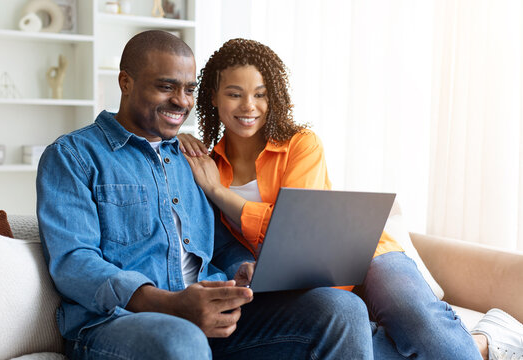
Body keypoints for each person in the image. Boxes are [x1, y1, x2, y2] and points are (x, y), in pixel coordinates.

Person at [36, 30, 404, 360]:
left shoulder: (190, 159)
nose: (181, 101)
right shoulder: (74, 156)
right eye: (166, 86)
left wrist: (239, 269)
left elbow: (220, 243)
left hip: (210, 315)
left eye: (189, 89)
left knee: (341, 308)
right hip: (117, 324)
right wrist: (171, 304)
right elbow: (74, 262)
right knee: (181, 340)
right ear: (125, 82)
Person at [178, 38, 523, 360]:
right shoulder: (206, 165)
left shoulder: (300, 143)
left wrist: (220, 194)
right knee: (354, 338)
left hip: (366, 253)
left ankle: (479, 341)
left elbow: (300, 230)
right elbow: (221, 245)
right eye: (234, 94)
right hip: (299, 284)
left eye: (260, 94)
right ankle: (485, 342)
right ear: (212, 96)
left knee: (421, 322)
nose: (249, 106)